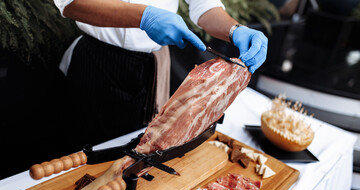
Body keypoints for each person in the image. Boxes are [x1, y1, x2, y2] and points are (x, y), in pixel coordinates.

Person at [53, 0, 268, 149]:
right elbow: (71, 4)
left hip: (154, 68)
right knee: (77, 155)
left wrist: (235, 30)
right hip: (97, 63)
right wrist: (143, 17)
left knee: (139, 152)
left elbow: (204, 6)